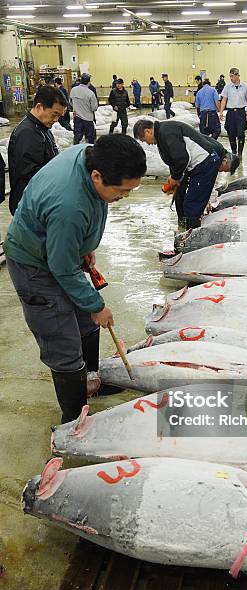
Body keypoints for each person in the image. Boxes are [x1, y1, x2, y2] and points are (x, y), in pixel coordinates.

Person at [4, 135, 147, 424]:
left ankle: (90, 381)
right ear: (97, 176)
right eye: (121, 191)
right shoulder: (69, 205)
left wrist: (84, 245)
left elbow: (68, 248)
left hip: (58, 249)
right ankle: (74, 420)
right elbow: (62, 266)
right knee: (62, 338)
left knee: (85, 320)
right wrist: (97, 304)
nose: (125, 196)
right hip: (35, 264)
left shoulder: (88, 154)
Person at [134, 119, 239, 230]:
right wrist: (175, 180)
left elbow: (182, 159)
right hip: (194, 166)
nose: (148, 144)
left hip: (203, 163)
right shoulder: (164, 133)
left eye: (145, 140)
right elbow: (176, 160)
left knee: (192, 204)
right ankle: (184, 226)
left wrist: (175, 177)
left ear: (148, 131)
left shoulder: (166, 132)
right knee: (182, 196)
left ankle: (192, 235)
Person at [8, 86, 66, 216]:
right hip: (29, 205)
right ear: (39, 107)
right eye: (54, 114)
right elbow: (30, 174)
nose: (56, 120)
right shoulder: (27, 133)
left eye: (60, 115)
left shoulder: (41, 129)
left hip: (38, 201)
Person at [219, 67, 247, 159]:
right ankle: (234, 151)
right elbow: (224, 100)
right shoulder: (227, 87)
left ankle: (240, 153)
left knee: (241, 134)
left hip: (241, 112)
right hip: (230, 113)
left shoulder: (245, 86)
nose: (231, 78)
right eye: (230, 76)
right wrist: (221, 112)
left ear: (238, 75)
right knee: (231, 133)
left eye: (232, 76)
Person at [70, 73, 98, 145]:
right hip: (88, 119)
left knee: (77, 137)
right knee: (90, 138)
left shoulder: (73, 90)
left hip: (77, 117)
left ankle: (75, 150)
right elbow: (94, 107)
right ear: (88, 82)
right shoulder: (90, 93)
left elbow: (70, 102)